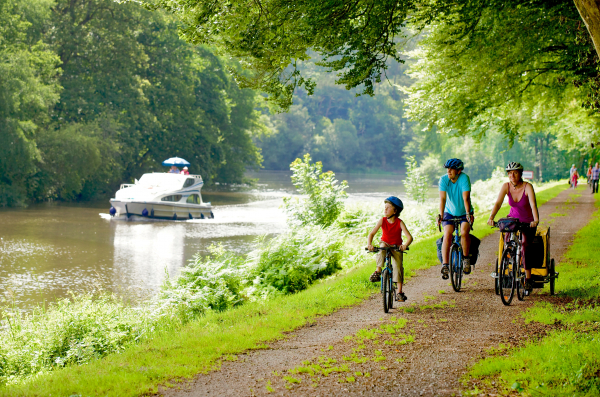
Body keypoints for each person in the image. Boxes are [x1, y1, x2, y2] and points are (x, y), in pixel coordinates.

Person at [487, 162, 540, 292]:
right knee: (507, 240)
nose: (512, 175)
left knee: (526, 244)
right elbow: (498, 203)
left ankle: (528, 279)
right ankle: (508, 259)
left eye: (515, 172)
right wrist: (491, 217)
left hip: (527, 222)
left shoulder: (528, 187)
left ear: (520, 174)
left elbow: (533, 205)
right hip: (512, 220)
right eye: (510, 173)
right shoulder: (506, 186)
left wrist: (536, 220)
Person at [367, 196, 413, 302]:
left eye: (388, 208)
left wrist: (405, 245)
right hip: (385, 244)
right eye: (385, 207)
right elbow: (372, 233)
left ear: (395, 211)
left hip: (397, 247)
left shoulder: (399, 222)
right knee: (381, 248)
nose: (385, 210)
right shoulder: (382, 221)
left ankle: (399, 292)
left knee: (398, 266)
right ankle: (378, 271)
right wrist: (369, 244)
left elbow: (409, 237)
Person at [437, 158, 474, 279]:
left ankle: (466, 258)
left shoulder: (464, 178)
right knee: (447, 233)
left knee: (464, 232)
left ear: (458, 171)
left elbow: (466, 198)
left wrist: (468, 214)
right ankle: (445, 264)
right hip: (449, 211)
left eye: (452, 169)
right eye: (447, 169)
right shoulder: (443, 179)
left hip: (464, 211)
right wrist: (441, 215)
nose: (449, 171)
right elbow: (442, 199)